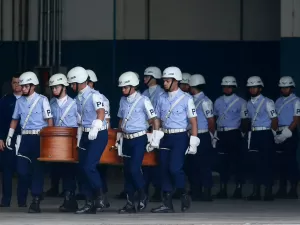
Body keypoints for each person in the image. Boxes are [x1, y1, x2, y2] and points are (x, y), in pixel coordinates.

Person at [151, 67, 199, 213]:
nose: (164, 83)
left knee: (175, 168)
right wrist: (156, 134)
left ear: (175, 81)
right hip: (165, 136)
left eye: (167, 81)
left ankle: (184, 192)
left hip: (180, 137)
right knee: (164, 169)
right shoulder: (161, 98)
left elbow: (193, 121)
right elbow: (157, 119)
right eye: (164, 80)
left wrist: (194, 140)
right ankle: (167, 203)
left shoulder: (187, 99)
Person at [6, 71, 53, 213]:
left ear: (33, 86)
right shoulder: (19, 101)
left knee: (38, 169)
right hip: (24, 138)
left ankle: (36, 200)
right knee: (21, 170)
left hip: (39, 137)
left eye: (26, 86)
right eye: (22, 86)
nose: (23, 89)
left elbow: (49, 120)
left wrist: (49, 139)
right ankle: (35, 189)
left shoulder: (42, 100)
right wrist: (10, 135)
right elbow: (15, 119)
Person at [67, 66, 109, 214]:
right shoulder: (78, 98)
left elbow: (101, 111)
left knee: (89, 166)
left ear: (80, 82)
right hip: (84, 134)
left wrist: (96, 126)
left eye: (73, 83)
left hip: (97, 133)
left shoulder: (94, 95)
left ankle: (100, 197)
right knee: (81, 168)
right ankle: (89, 201)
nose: (71, 86)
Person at [117, 71, 159, 213]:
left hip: (139, 138)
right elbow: (121, 119)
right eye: (122, 88)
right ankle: (129, 203)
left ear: (133, 86)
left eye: (125, 87)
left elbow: (154, 119)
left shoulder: (144, 100)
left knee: (135, 169)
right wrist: (118, 135)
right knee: (127, 172)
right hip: (126, 139)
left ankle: (142, 194)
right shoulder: (123, 100)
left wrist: (155, 136)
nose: (123, 90)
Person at [213, 76, 248, 199]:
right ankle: (223, 189)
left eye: (229, 86)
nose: (227, 89)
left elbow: (244, 121)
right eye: (225, 86)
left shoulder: (241, 102)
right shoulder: (217, 101)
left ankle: (238, 189)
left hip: (234, 134)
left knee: (237, 162)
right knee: (222, 163)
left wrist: (243, 134)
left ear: (234, 87)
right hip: (221, 134)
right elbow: (215, 118)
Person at [48, 73, 79, 212]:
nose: (54, 90)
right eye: (52, 87)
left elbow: (80, 121)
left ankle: (69, 198)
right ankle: (66, 196)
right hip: (56, 142)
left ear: (64, 87)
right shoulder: (51, 103)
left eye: (56, 87)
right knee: (57, 169)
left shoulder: (74, 103)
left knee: (69, 170)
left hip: (70, 140)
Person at [246, 76, 278, 201]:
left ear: (260, 88)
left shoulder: (268, 102)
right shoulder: (248, 103)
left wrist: (274, 134)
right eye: (250, 88)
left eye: (255, 87)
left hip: (265, 133)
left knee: (267, 163)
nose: (252, 90)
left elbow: (274, 120)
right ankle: (256, 191)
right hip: (254, 134)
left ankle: (268, 191)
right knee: (255, 163)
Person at [187, 74, 215, 201]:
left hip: (202, 135)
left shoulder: (205, 101)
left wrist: (212, 136)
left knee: (204, 165)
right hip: (193, 135)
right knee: (193, 165)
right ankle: (196, 190)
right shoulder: (191, 99)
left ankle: (207, 192)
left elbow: (211, 121)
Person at [274, 76, 300, 199]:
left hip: (290, 132)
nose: (284, 90)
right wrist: (276, 134)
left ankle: (294, 188)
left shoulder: (296, 101)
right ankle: (282, 188)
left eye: (287, 87)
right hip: (279, 132)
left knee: (291, 162)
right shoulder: (277, 101)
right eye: (283, 88)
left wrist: (286, 133)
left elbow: (296, 120)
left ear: (291, 88)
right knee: (280, 163)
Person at [0, 74, 23, 207]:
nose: (17, 85)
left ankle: (22, 200)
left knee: (23, 170)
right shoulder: (5, 100)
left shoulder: (30, 100)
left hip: (25, 138)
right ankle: (6, 199)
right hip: (9, 139)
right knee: (7, 170)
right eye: (14, 82)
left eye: (19, 82)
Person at [142, 66, 165, 202]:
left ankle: (158, 190)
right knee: (144, 160)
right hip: (144, 129)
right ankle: (144, 189)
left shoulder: (162, 94)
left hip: (156, 130)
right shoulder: (144, 93)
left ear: (154, 77)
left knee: (157, 162)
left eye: (147, 76)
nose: (144, 79)